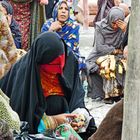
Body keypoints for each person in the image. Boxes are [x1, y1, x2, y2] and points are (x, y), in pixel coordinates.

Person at [0, 32, 96, 138]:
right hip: (38, 131)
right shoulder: (24, 74)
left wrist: (79, 116)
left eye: (61, 65)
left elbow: (76, 96)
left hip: (67, 127)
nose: (59, 70)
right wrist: (52, 121)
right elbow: (19, 121)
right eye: (53, 65)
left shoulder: (69, 61)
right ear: (40, 62)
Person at [86, 7, 126, 103]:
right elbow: (100, 47)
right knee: (105, 66)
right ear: (109, 19)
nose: (115, 26)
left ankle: (118, 93)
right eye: (113, 23)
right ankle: (107, 94)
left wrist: (126, 31)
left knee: (120, 66)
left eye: (118, 23)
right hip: (99, 55)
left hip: (118, 56)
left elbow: (128, 45)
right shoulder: (100, 27)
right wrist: (115, 51)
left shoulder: (123, 28)